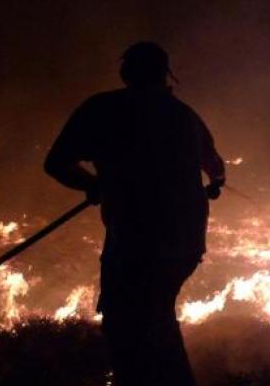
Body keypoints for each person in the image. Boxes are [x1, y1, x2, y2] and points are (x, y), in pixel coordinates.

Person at [44, 41, 225, 385]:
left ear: (125, 72)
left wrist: (92, 185)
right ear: (164, 75)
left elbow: (56, 163)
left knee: (127, 323)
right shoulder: (183, 115)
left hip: (134, 239)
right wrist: (216, 181)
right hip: (184, 240)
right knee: (154, 315)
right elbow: (215, 168)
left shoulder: (102, 110)